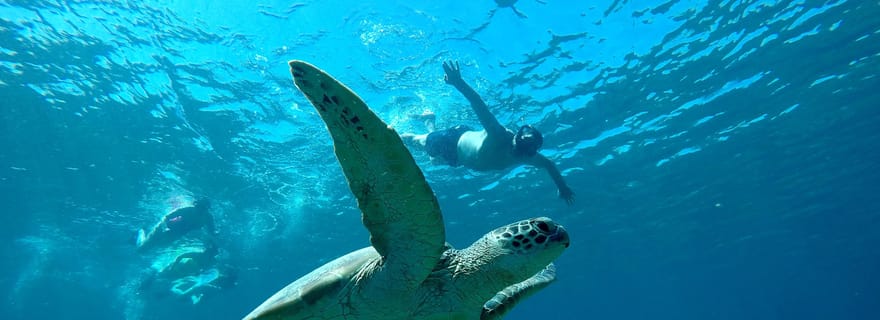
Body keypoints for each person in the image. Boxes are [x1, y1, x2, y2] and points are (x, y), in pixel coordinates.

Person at [402, 61, 575, 204]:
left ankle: (429, 119)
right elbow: (479, 104)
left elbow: (549, 164)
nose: (514, 150)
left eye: (520, 151)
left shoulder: (528, 156)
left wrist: (563, 187)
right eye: (516, 144)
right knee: (415, 141)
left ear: (528, 153)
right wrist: (458, 82)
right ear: (515, 137)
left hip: (459, 159)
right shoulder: (499, 134)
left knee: (433, 161)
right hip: (452, 141)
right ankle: (389, 134)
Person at [137, 198, 215, 250]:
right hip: (165, 228)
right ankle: (141, 231)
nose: (200, 210)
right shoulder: (186, 210)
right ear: (195, 205)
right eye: (199, 207)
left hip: (176, 234)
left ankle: (144, 235)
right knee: (142, 249)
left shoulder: (208, 218)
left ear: (207, 209)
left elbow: (212, 231)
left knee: (160, 246)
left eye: (203, 208)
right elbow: (166, 217)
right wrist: (164, 228)